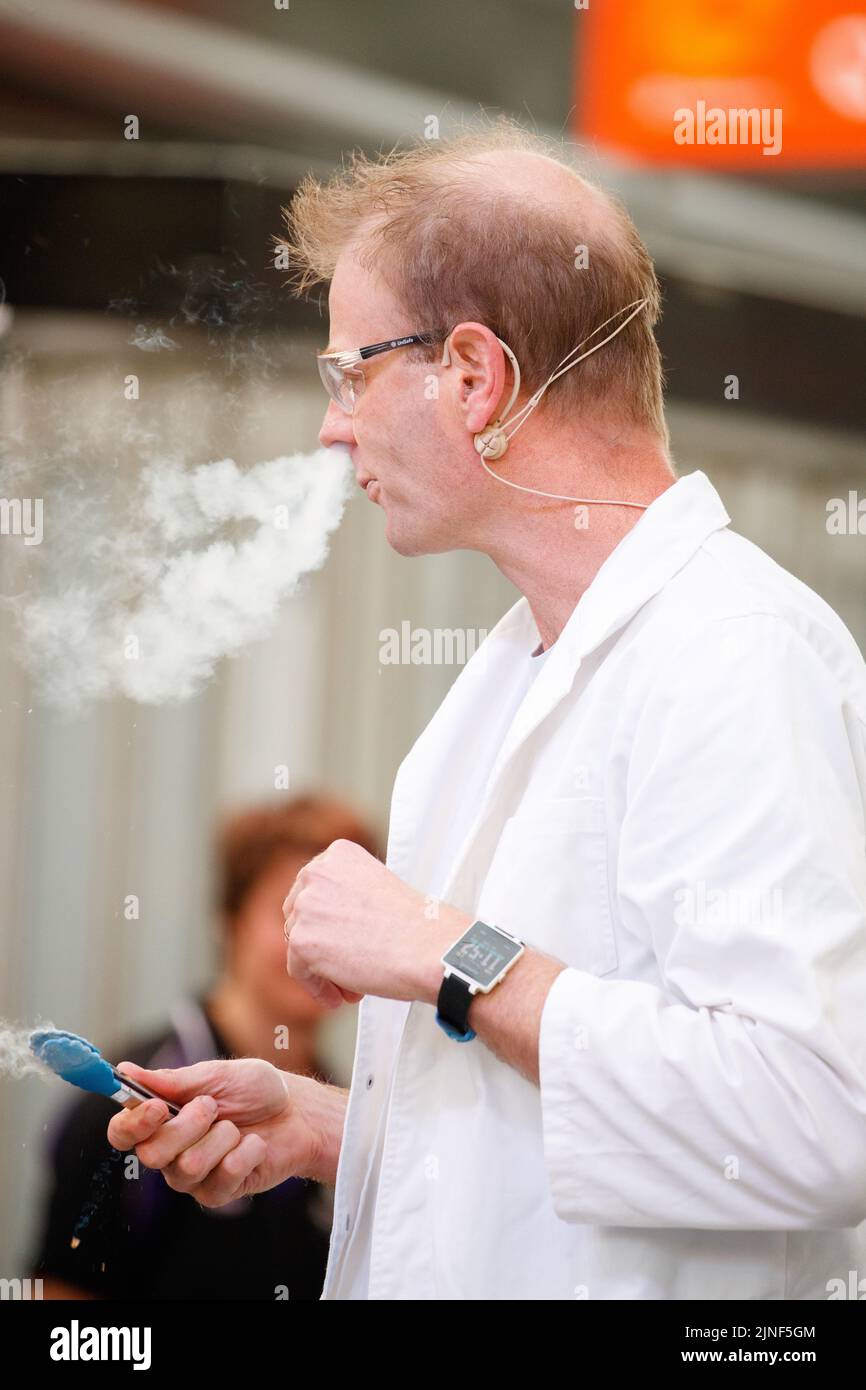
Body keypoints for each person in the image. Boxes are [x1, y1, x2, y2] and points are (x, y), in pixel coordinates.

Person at [107, 117, 866, 1301]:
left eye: (348, 370)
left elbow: (811, 1118)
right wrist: (332, 1130)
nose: (331, 423)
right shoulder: (510, 674)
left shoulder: (730, 652)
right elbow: (572, 1165)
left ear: (474, 376)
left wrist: (436, 948)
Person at [31, 793, 380, 1300]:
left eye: (345, 918)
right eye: (291, 914)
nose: (317, 942)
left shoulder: (358, 1117)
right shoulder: (123, 1101)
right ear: (229, 922)